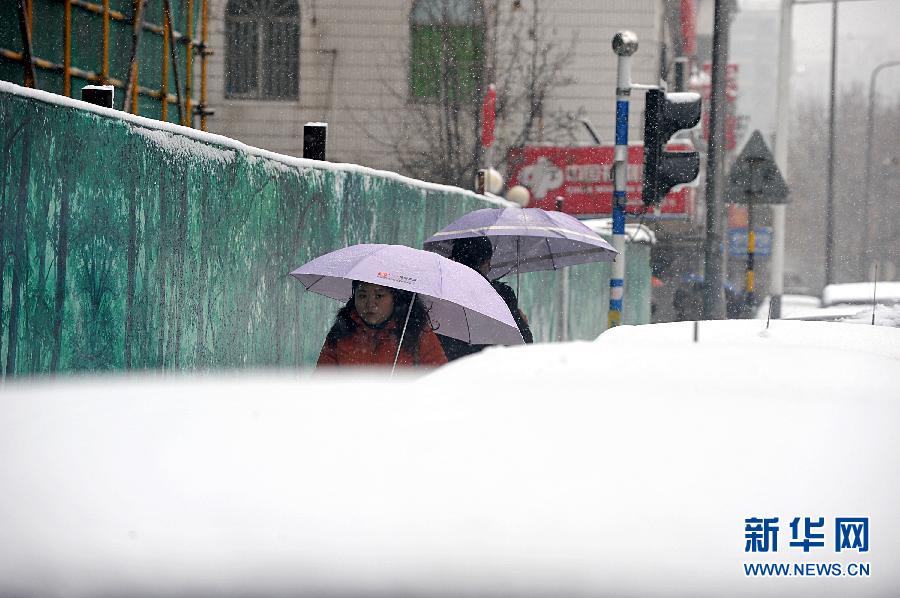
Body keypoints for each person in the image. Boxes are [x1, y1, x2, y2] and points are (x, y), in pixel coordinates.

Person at [440, 236, 533, 361]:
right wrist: (524, 325)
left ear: (454, 260)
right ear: (487, 262)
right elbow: (524, 346)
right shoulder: (502, 295)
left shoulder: (439, 292)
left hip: (447, 372)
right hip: (490, 372)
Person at [317, 281, 447, 367]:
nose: (370, 304)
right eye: (362, 296)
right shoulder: (342, 332)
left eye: (379, 296)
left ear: (395, 298)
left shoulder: (417, 333)